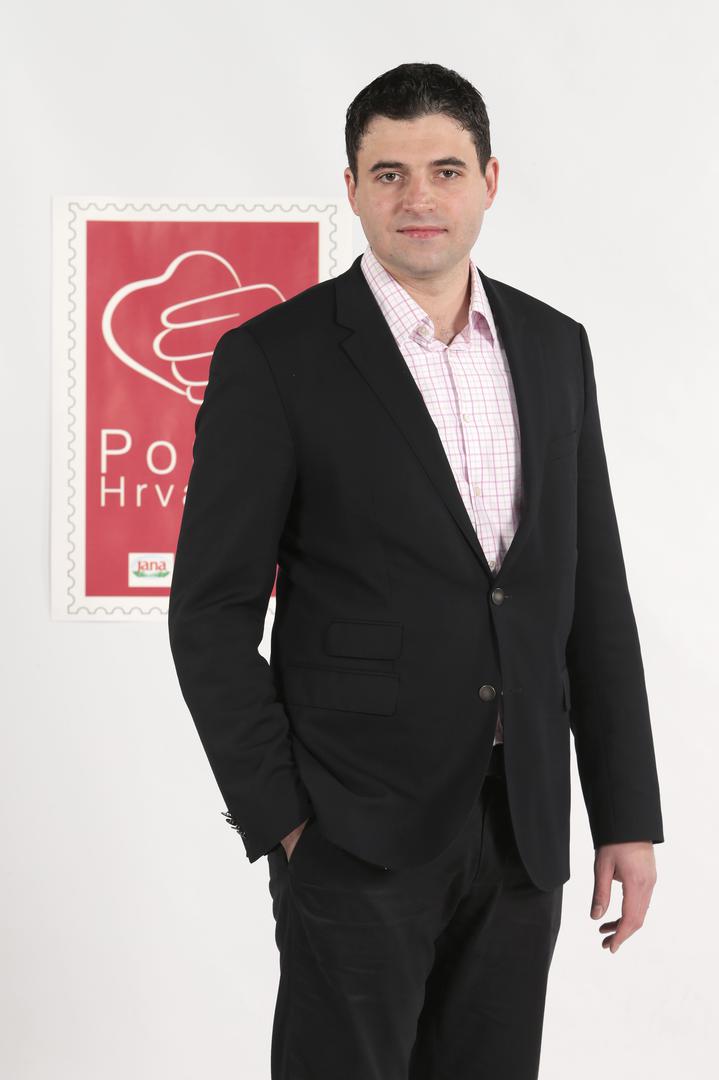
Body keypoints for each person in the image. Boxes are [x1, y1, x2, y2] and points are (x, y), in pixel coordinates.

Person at [168, 61, 664, 1080]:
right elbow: (210, 611)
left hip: (521, 822)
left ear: (490, 180)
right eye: (388, 173)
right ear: (351, 188)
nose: (418, 197)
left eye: (444, 170)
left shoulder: (553, 347)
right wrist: (286, 822)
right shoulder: (276, 358)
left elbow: (591, 592)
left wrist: (623, 813)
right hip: (350, 826)